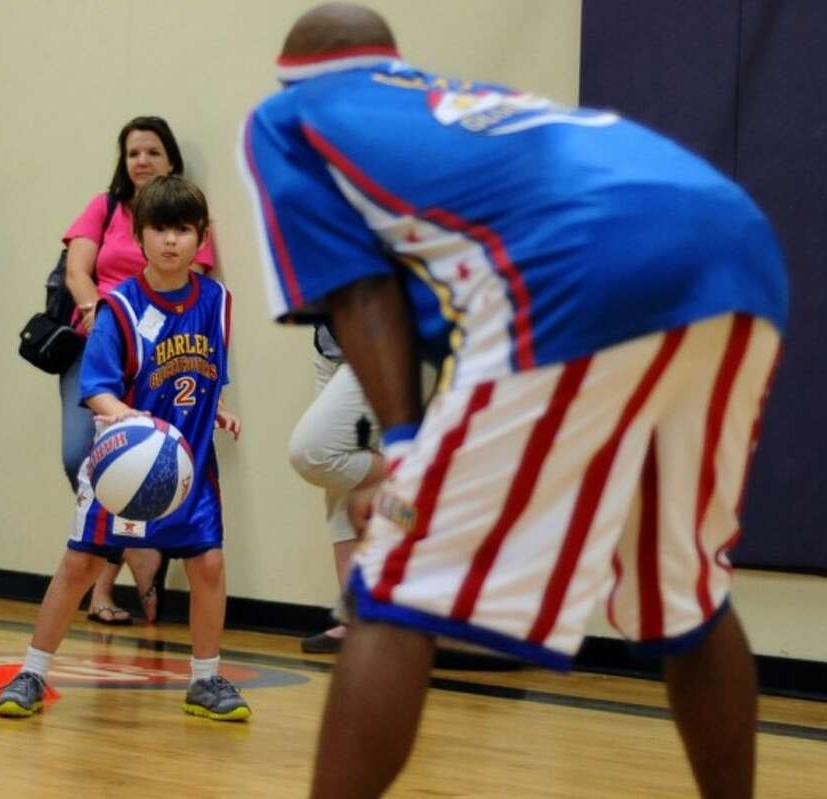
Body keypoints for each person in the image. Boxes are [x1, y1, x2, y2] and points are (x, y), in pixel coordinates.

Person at [241, 5, 788, 797]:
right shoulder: (453, 99)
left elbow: (362, 296)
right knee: (685, 587)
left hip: (579, 262)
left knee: (393, 583)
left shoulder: (287, 118)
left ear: (290, 72)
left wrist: (402, 449)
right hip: (737, 240)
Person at [0, 175, 249, 721]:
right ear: (139, 236)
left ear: (201, 237)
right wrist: (129, 419)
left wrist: (218, 406)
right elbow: (96, 390)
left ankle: (205, 681)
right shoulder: (119, 308)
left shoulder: (218, 302)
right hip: (124, 467)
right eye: (160, 229)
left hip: (190, 468)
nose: (172, 241)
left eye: (184, 229)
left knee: (208, 565)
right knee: (78, 566)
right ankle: (32, 673)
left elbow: (205, 374)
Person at [59, 116, 217, 625]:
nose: (142, 161)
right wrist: (98, 312)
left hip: (162, 359)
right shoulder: (104, 207)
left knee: (149, 463)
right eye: (133, 153)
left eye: (152, 152)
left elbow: (194, 294)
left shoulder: (188, 216)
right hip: (100, 340)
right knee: (80, 454)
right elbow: (76, 269)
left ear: (171, 160)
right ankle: (133, 554)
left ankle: (113, 581)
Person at [287, 323, 384, 653]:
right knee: (341, 486)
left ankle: (410, 472)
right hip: (330, 347)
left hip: (378, 343)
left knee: (314, 453)